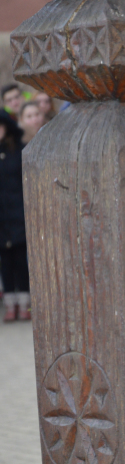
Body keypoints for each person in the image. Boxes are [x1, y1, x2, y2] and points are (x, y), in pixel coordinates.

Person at [0, 111, 31, 322]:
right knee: (5, 262)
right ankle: (10, 305)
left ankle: (25, 304)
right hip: (1, 218)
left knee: (21, 260)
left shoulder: (18, 150)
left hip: (18, 211)